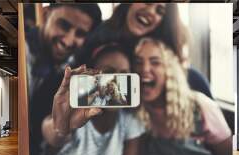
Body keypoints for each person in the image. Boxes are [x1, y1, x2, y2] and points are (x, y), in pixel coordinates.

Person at [41, 43, 145, 155]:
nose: (116, 83)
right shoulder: (74, 112)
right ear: (91, 76)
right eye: (109, 73)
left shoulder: (128, 121)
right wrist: (63, 124)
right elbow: (53, 134)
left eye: (124, 75)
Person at [134, 38, 232, 155]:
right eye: (138, 62)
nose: (144, 69)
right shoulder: (131, 114)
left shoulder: (201, 106)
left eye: (155, 62)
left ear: (170, 70)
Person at [74, 3, 213, 98]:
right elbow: (80, 91)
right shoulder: (98, 36)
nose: (151, 12)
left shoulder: (159, 50)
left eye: (160, 11)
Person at [26, 3, 102, 155]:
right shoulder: (23, 57)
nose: (68, 41)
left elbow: (49, 126)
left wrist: (61, 128)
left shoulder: (71, 65)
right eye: (64, 25)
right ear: (45, 15)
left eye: (80, 34)